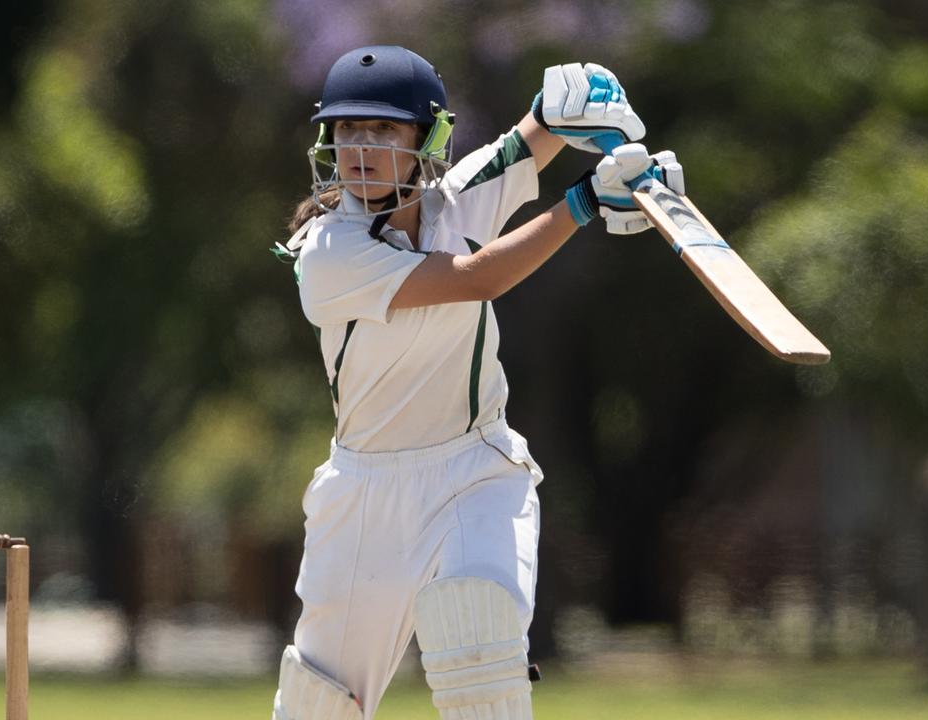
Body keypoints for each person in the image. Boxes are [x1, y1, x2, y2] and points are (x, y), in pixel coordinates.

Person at [271, 46, 684, 720]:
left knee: (480, 644)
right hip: (364, 496)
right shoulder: (328, 253)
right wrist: (585, 201)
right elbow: (475, 280)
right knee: (321, 705)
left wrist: (574, 105)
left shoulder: (456, 200)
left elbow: (531, 137)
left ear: (426, 138)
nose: (360, 148)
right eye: (347, 130)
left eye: (382, 131)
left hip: (474, 472)